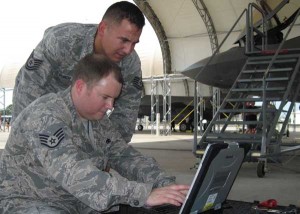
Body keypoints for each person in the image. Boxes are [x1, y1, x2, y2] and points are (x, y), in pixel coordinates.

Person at [0, 54, 189, 213]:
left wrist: (166, 185)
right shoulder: (46, 115)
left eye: (114, 99)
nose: (111, 106)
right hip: (29, 202)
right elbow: (76, 174)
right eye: (105, 97)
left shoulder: (98, 121)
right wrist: (143, 194)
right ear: (81, 87)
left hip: (77, 202)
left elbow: (125, 156)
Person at [12, 1, 144, 143]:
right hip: (43, 109)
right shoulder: (62, 41)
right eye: (124, 40)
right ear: (103, 29)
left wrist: (106, 151)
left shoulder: (130, 64)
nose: (128, 50)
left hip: (85, 119)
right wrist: (28, 141)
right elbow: (28, 90)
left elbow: (126, 115)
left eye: (134, 43)